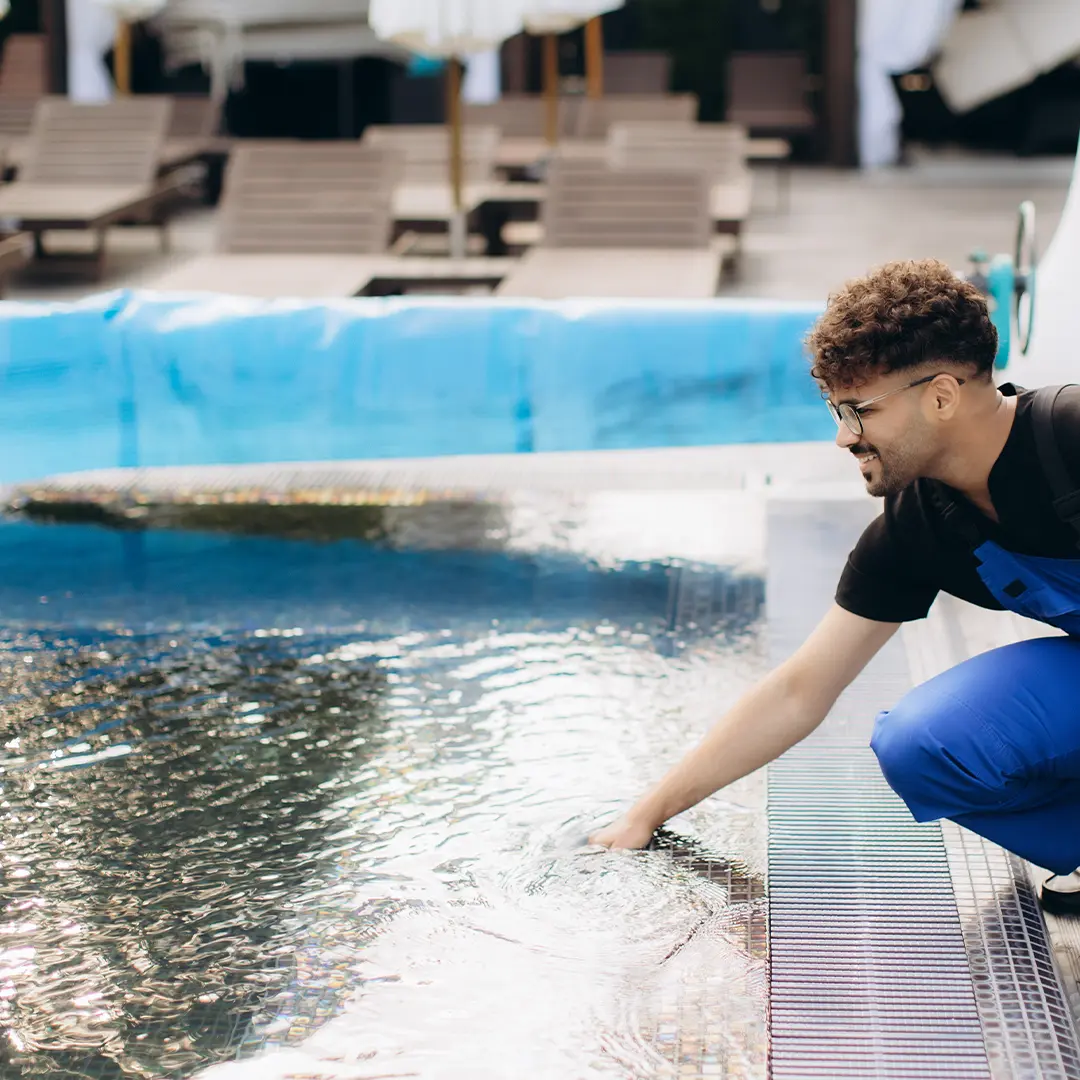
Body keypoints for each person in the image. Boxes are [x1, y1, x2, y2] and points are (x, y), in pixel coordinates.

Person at [589, 258, 1080, 915]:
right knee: (922, 745)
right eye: (835, 409)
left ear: (940, 396)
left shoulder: (1069, 437)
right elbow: (799, 691)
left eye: (859, 410)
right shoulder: (922, 525)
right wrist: (646, 814)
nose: (844, 436)